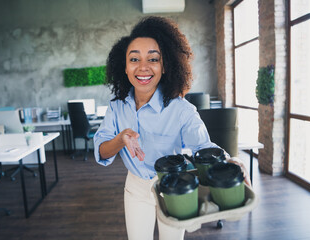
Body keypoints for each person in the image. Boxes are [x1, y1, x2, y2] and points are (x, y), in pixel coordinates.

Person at [94, 16, 250, 240]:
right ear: (125, 67)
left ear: (165, 66)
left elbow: (203, 146)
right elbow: (101, 150)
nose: (143, 67)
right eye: (134, 59)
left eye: (153, 59)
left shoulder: (181, 109)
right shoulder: (116, 107)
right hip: (136, 188)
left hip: (175, 186)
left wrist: (229, 160)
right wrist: (121, 139)